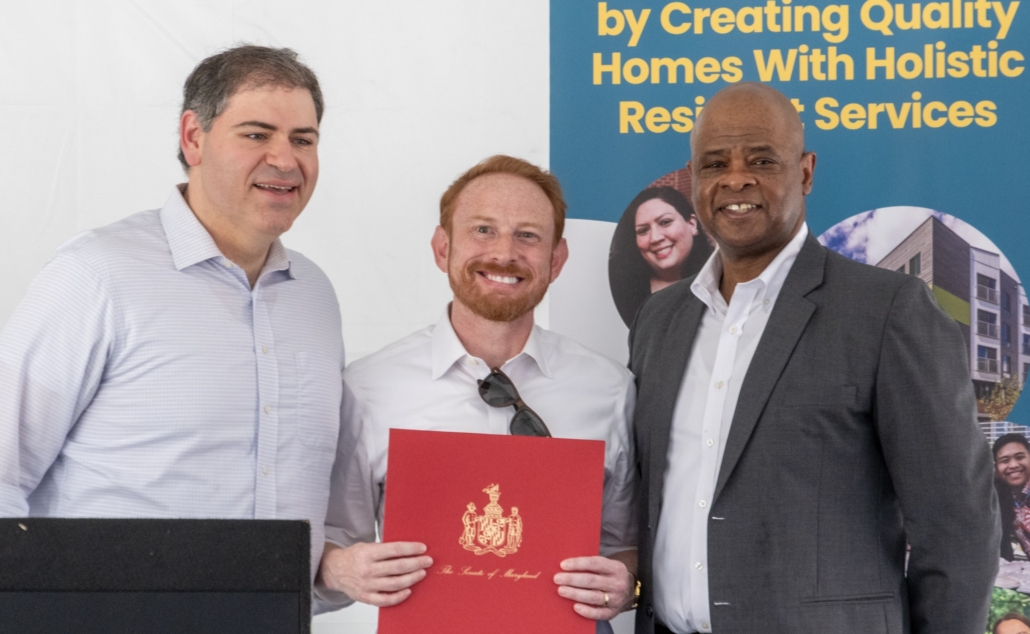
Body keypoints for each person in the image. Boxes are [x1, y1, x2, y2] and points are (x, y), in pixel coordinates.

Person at [628, 82, 999, 633]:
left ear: (804, 171)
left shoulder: (887, 311)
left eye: (761, 159)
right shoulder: (660, 321)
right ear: (695, 178)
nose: (735, 179)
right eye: (714, 163)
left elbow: (958, 530)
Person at [0, 45, 343, 582]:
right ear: (193, 137)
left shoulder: (314, 296)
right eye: (257, 134)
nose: (285, 159)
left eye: (303, 139)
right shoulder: (97, 275)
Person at [317, 155, 638, 632]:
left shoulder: (610, 389)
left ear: (557, 260)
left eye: (527, 235)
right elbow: (336, 540)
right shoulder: (368, 388)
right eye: (482, 230)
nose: (504, 253)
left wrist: (629, 588)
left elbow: (627, 548)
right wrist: (341, 568)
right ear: (442, 248)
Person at [608, 186, 713, 326]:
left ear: (692, 224)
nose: (655, 238)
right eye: (643, 230)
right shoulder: (618, 289)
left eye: (665, 222)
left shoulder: (722, 278)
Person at [994, 433, 1030, 559]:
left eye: (1020, 457)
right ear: (997, 470)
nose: (1013, 465)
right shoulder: (1002, 499)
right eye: (1004, 461)